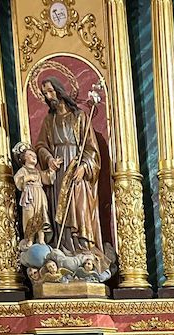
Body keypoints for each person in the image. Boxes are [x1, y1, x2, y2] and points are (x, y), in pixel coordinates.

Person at [35, 76, 103, 253]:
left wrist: (84, 167)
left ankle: (82, 248)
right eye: (45, 93)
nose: (49, 96)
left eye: (51, 91)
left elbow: (91, 149)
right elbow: (40, 146)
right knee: (60, 206)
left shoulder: (79, 116)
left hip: (75, 166)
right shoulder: (49, 120)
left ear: (59, 91)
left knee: (78, 207)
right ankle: (64, 247)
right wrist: (49, 159)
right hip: (58, 169)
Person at [12, 142, 54, 244]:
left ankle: (41, 239)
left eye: (34, 155)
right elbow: (17, 180)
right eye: (30, 155)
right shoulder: (23, 170)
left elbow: (47, 178)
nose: (34, 156)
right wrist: (27, 178)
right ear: (23, 158)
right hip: (29, 196)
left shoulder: (37, 171)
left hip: (39, 194)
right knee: (30, 216)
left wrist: (52, 169)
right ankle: (30, 239)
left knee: (41, 215)